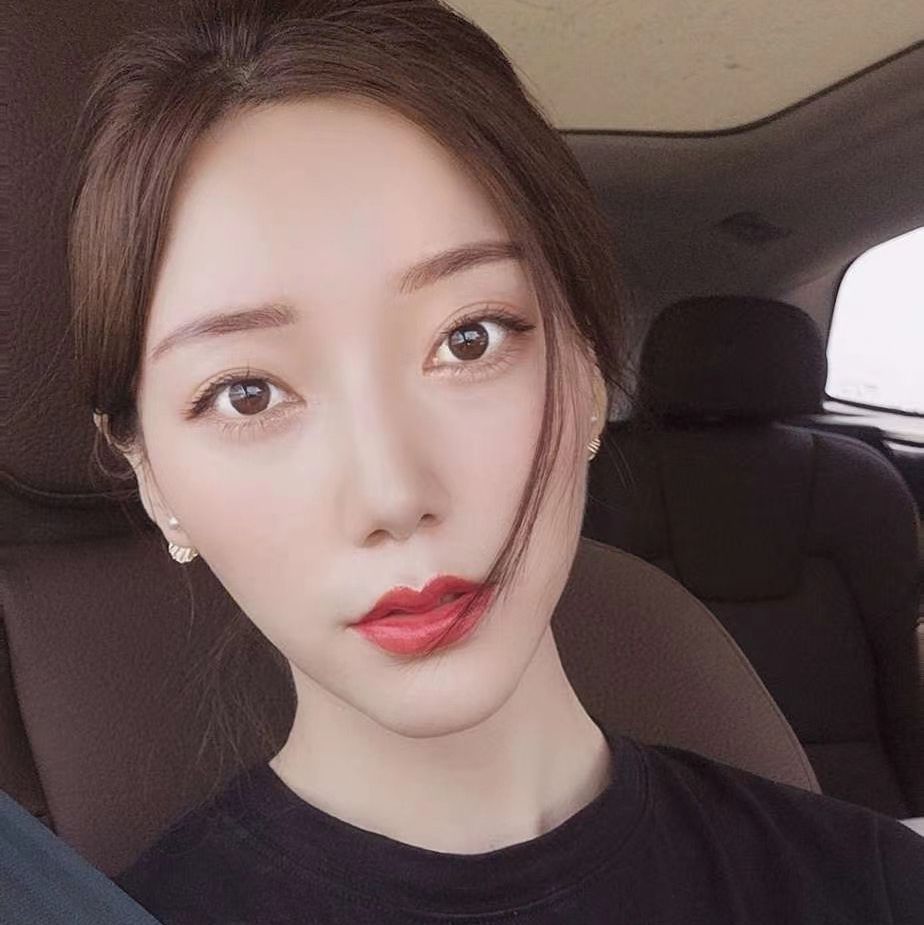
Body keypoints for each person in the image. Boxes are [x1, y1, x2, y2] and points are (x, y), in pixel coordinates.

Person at [63, 0, 923, 921]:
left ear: (587, 372)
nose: (394, 493)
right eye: (247, 393)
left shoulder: (873, 883)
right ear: (151, 477)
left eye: (469, 338)